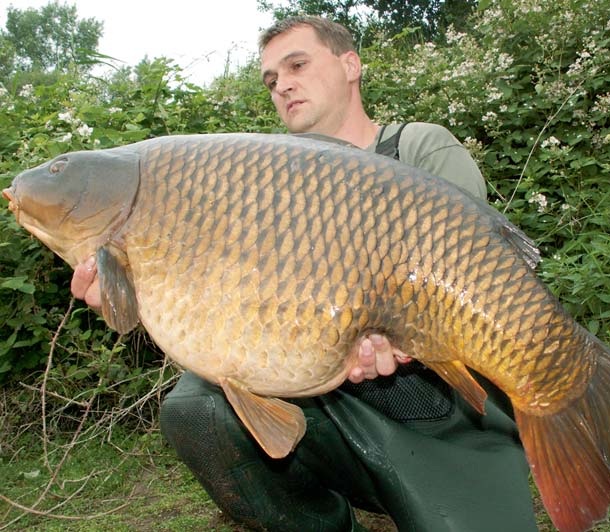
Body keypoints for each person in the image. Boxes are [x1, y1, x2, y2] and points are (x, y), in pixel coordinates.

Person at [71, 16, 537, 532]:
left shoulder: (420, 148)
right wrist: (133, 288)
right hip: (322, 411)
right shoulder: (256, 184)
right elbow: (226, 312)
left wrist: (408, 329)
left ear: (350, 65)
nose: (282, 84)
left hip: (442, 415)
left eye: (297, 65)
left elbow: (484, 279)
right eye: (271, 79)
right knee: (196, 406)